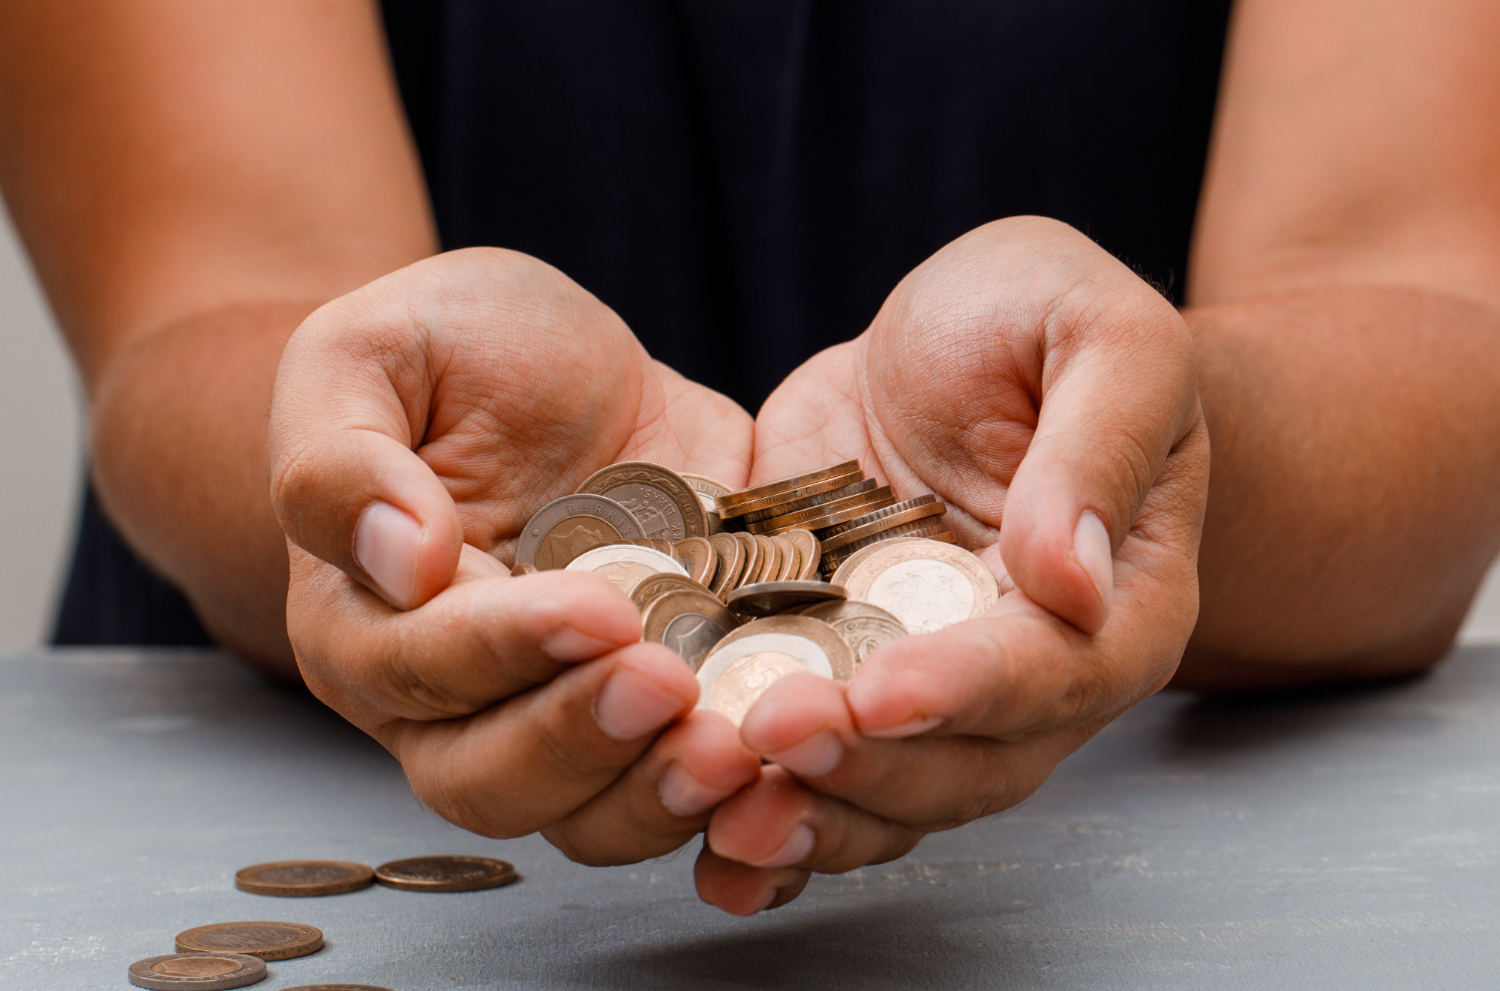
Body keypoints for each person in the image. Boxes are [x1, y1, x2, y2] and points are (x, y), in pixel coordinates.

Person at [3, 1, 1499, 916]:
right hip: (260, 788)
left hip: (1203, 857)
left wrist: (1138, 447)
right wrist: (370, 482)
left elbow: (1428, 325)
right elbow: (192, 306)